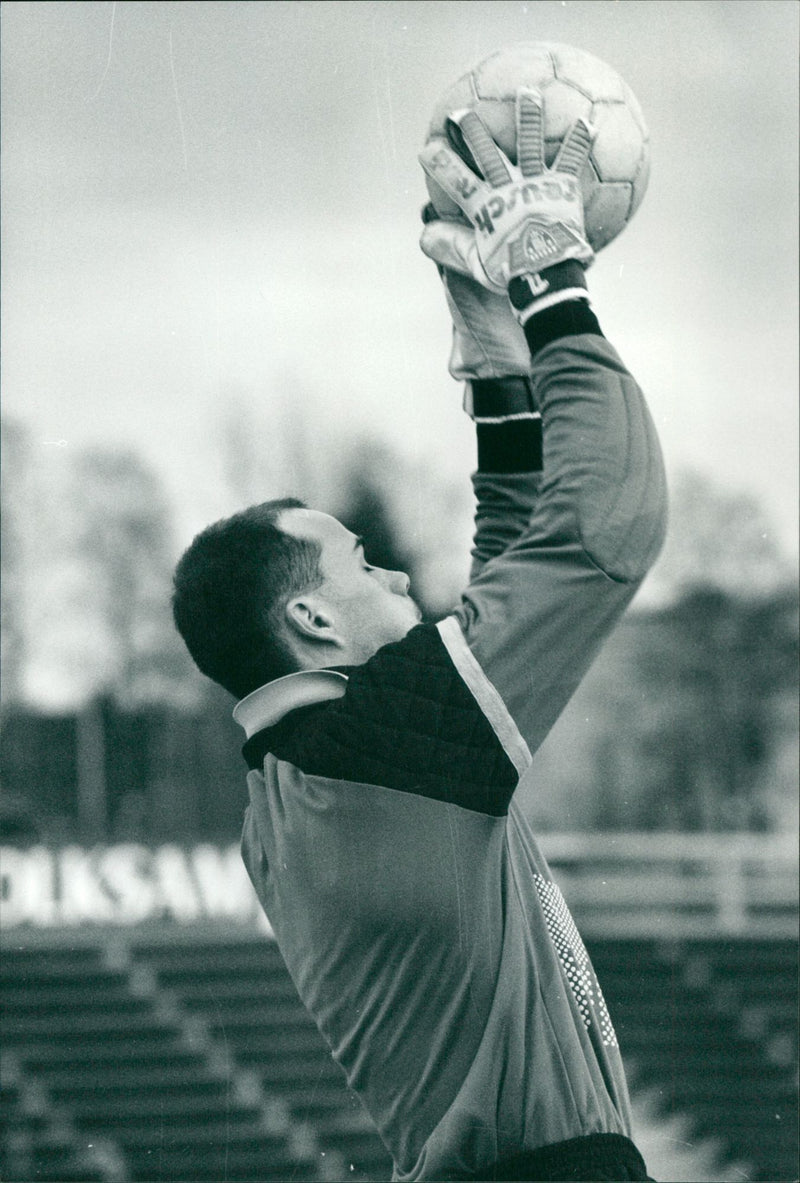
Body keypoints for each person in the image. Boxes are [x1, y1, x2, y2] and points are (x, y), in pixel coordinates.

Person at [172, 92, 666, 1182]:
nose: (395, 570)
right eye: (360, 561)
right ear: (307, 619)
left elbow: (508, 570)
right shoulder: (385, 749)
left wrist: (495, 368)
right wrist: (547, 279)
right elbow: (603, 527)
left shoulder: (305, 778)